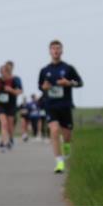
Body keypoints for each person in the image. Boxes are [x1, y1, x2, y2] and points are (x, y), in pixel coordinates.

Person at [39, 40, 83, 173]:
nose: (56, 51)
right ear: (50, 51)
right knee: (54, 131)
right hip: (50, 105)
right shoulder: (44, 70)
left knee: (67, 136)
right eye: (53, 48)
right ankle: (59, 162)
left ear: (62, 51)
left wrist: (68, 83)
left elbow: (80, 83)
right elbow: (40, 86)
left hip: (65, 105)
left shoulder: (68, 68)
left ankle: (67, 146)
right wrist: (44, 87)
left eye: (58, 48)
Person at [0, 62, 23, 151]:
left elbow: (19, 92)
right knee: (4, 123)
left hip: (11, 105)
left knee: (10, 125)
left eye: (4, 72)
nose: (2, 74)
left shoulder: (15, 80)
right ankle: (4, 142)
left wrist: (11, 90)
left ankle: (10, 138)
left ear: (8, 71)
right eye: (1, 72)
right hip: (1, 105)